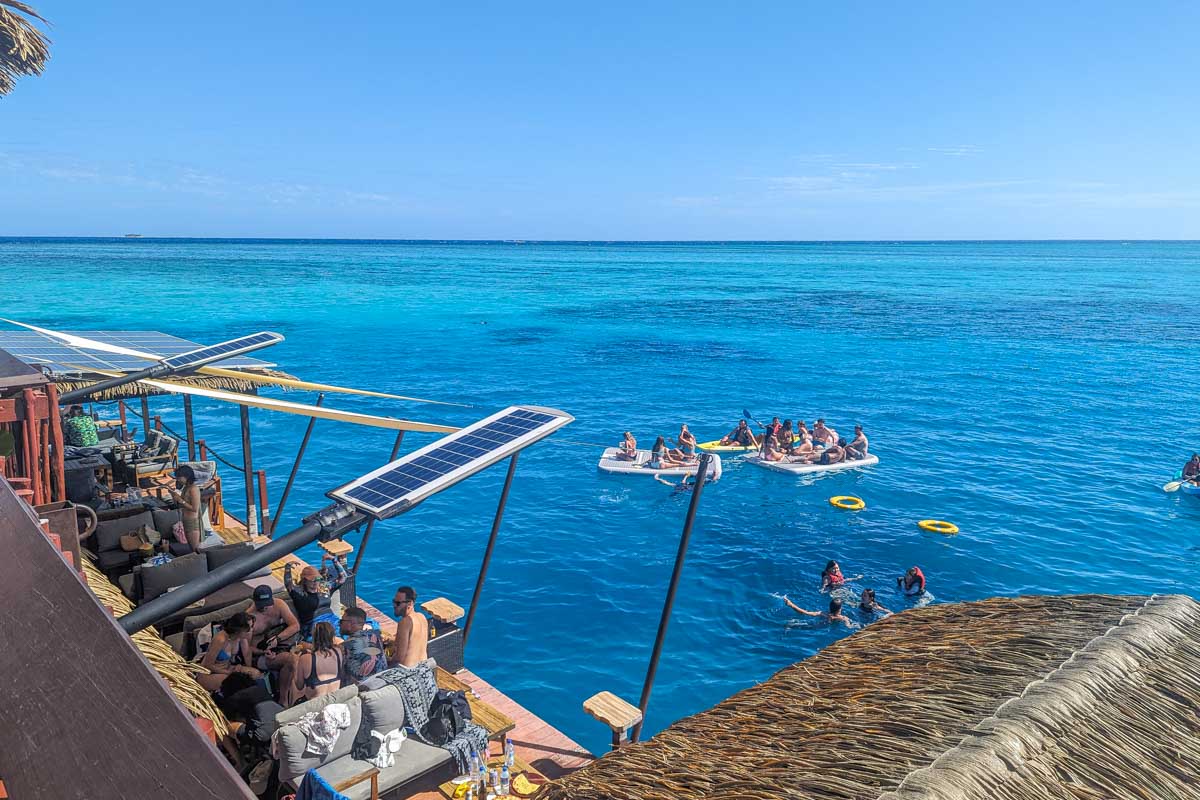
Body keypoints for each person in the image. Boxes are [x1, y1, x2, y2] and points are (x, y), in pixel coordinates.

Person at [244, 585, 301, 706]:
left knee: (310, 651)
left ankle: (302, 694)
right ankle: (284, 700)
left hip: (280, 644)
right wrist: (262, 652)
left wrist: (278, 638)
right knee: (291, 660)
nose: (265, 607)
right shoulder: (249, 618)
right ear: (255, 601)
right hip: (260, 653)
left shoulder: (279, 604)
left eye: (267, 604)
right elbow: (246, 648)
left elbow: (295, 625)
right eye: (261, 605)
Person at [196, 612, 260, 692]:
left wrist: (247, 669)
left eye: (251, 626)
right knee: (235, 682)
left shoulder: (241, 637)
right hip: (209, 673)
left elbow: (247, 654)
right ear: (238, 629)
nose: (251, 630)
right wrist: (229, 673)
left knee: (255, 674)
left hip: (227, 668)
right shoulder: (220, 639)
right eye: (248, 628)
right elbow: (208, 665)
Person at [284, 559, 347, 641]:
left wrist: (334, 560)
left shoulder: (324, 588)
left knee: (346, 633)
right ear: (305, 580)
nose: (315, 583)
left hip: (331, 620)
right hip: (313, 625)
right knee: (329, 640)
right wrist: (288, 568)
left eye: (318, 579)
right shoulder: (299, 593)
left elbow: (343, 577)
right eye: (312, 580)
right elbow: (288, 584)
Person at [157, 465, 203, 553]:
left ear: (187, 476)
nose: (178, 479)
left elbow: (195, 508)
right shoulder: (186, 487)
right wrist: (174, 496)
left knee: (195, 548)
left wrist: (180, 500)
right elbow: (183, 504)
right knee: (191, 547)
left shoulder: (194, 489)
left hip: (192, 522)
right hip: (185, 520)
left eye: (179, 477)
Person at [294, 621, 342, 702]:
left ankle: (285, 704)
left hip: (314, 705)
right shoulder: (338, 652)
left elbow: (299, 686)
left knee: (294, 684)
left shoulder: (305, 659)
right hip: (334, 702)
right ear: (332, 636)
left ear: (314, 637)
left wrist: (295, 661)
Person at [340, 606, 387, 682]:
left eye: (341, 621)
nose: (339, 624)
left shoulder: (346, 646)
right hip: (381, 681)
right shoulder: (376, 635)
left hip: (363, 688)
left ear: (351, 623)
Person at [389, 585, 429, 668]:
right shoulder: (422, 617)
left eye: (398, 603)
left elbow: (399, 657)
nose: (394, 605)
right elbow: (414, 642)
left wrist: (385, 661)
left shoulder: (405, 622)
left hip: (408, 675)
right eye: (394, 601)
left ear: (410, 604)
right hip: (424, 672)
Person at [782, 596, 858, 629]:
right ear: (840, 609)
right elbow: (849, 627)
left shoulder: (823, 613)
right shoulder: (843, 618)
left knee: (805, 625)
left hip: (817, 625)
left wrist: (791, 605)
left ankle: (791, 625)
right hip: (823, 629)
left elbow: (804, 612)